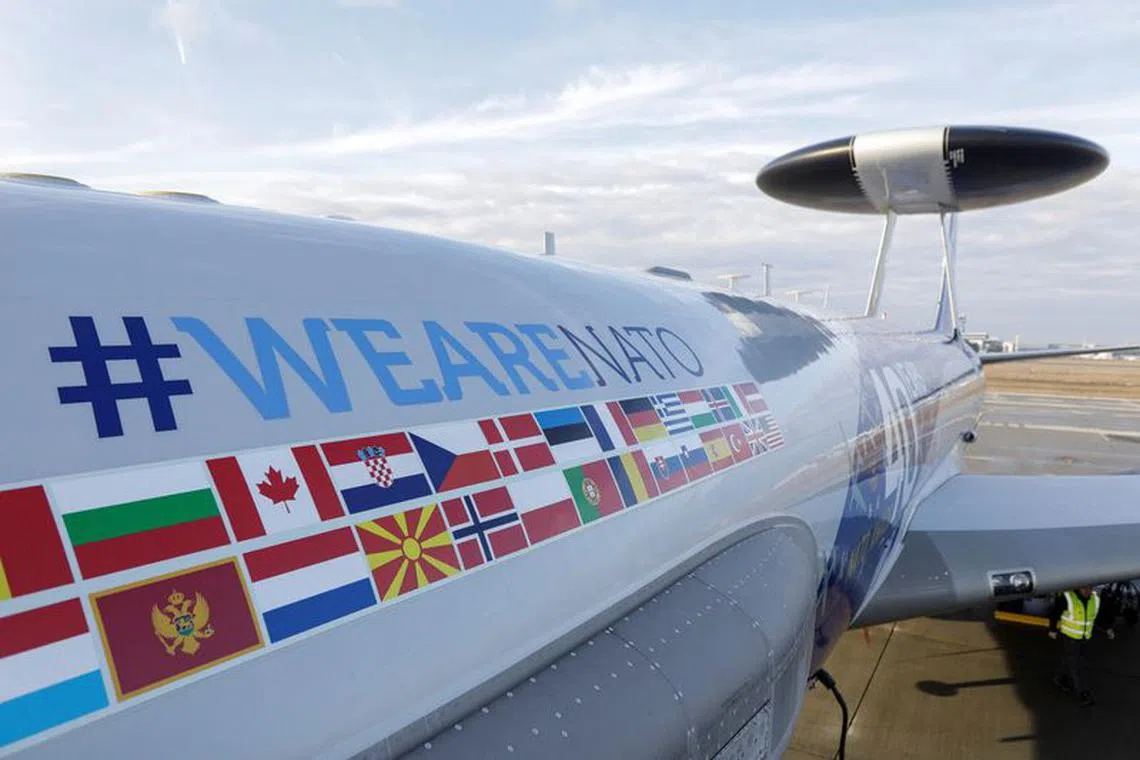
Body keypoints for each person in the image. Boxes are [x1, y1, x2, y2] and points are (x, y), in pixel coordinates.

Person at [1048, 585, 1116, 706]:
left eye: (1090, 588)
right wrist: (1052, 629)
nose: (1087, 591)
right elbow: (1055, 613)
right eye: (1084, 588)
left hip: (1085, 637)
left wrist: (1108, 628)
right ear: (1078, 588)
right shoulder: (1067, 598)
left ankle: (1059, 678)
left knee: (1070, 658)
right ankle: (1083, 692)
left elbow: (1099, 616)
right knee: (1077, 665)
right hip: (1070, 637)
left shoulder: (1095, 599)